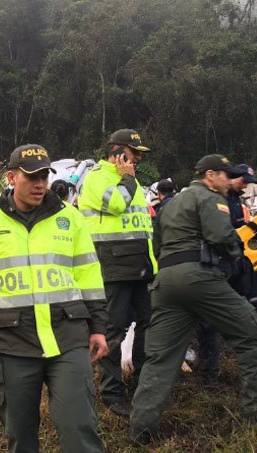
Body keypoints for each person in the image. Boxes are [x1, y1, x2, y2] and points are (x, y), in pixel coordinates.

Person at [0, 144, 108, 453]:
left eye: (45, 177)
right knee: (20, 433)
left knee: (79, 426)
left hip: (68, 335)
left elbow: (89, 275)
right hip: (13, 340)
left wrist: (99, 326)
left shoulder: (69, 218)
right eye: (32, 177)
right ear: (11, 177)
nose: (40, 185)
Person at [129, 155, 257, 445]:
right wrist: (236, 258)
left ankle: (140, 429)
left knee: (161, 358)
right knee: (252, 335)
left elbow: (157, 244)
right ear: (210, 175)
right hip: (200, 277)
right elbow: (221, 236)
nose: (229, 181)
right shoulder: (209, 198)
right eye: (225, 175)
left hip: (167, 281)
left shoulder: (169, 204)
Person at [77, 128, 156, 417]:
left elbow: (141, 226)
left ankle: (140, 381)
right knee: (112, 332)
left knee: (149, 324)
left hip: (140, 269)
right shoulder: (97, 178)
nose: (137, 160)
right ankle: (111, 392)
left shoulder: (132, 182)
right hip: (113, 269)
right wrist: (128, 179)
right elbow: (116, 205)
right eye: (134, 154)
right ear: (119, 152)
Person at [196, 163, 257, 380]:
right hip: (216, 261)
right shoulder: (214, 199)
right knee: (210, 316)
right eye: (242, 181)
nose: (245, 186)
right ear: (230, 177)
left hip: (236, 259)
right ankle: (208, 368)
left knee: (256, 289)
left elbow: (241, 229)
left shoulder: (235, 199)